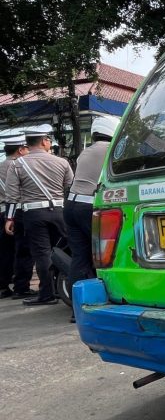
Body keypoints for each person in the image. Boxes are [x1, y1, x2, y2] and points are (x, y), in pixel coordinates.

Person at [4, 125, 73, 306]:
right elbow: (70, 187)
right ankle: (65, 288)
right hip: (59, 211)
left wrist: (10, 219)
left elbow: (12, 195)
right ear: (43, 141)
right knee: (65, 250)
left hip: (33, 214)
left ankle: (47, 294)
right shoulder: (62, 162)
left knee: (42, 254)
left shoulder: (18, 164)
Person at [65, 116, 118, 322]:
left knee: (80, 258)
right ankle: (110, 302)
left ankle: (76, 310)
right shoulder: (112, 150)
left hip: (71, 206)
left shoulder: (84, 153)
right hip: (89, 207)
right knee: (104, 255)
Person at [0, 134, 36, 299]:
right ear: (20, 150)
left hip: (2, 212)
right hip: (15, 212)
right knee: (23, 251)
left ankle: (3, 286)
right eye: (27, 148)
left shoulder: (1, 165)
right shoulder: (18, 166)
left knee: (4, 252)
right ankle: (21, 286)